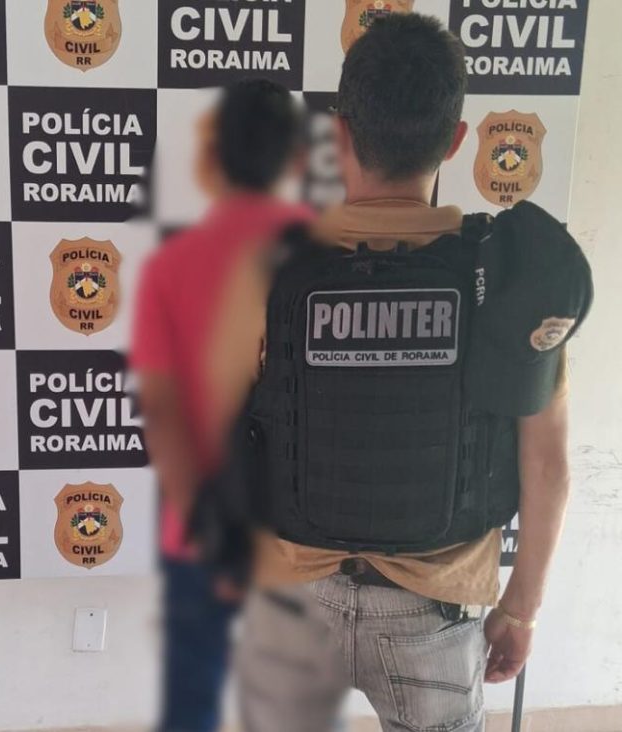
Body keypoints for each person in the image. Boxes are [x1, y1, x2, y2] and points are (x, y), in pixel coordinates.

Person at [203, 15, 592, 732]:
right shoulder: (509, 280)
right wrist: (521, 610)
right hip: (434, 613)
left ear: (339, 134)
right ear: (456, 140)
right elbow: (547, 466)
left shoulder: (264, 267)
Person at [130, 79, 313, 732]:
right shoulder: (329, 256)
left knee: (191, 704)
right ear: (299, 158)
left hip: (203, 526)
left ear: (211, 158)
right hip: (305, 537)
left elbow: (162, 411)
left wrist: (208, 528)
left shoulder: (171, 266)